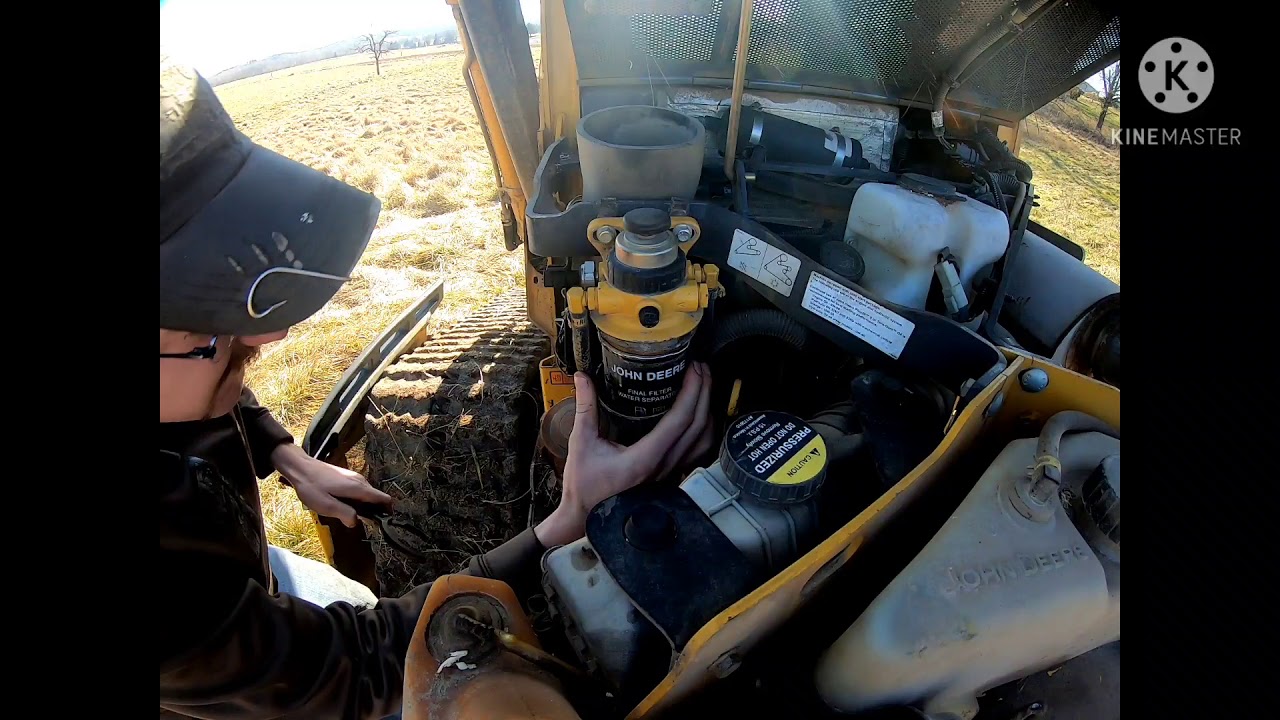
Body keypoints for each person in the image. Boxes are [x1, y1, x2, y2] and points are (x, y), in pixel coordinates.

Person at [159, 55, 714, 719]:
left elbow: (196, 388)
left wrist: (282, 452)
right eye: (209, 328)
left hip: (257, 594)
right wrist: (561, 526)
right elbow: (356, 668)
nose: (267, 340)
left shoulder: (179, 379)